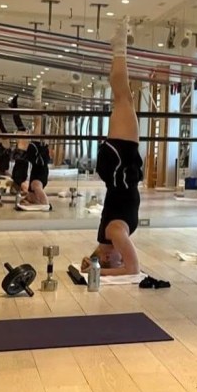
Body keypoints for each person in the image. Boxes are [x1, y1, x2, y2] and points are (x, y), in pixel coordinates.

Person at [80, 18, 142, 277]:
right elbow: (103, 260)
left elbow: (133, 270)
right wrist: (94, 266)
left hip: (120, 167)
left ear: (106, 256)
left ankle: (119, 46)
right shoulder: (108, 235)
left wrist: (99, 273)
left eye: (115, 260)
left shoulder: (115, 233)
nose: (121, 258)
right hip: (117, 170)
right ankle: (118, 48)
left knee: (123, 97)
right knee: (123, 98)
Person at [8, 85, 51, 210]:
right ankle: (37, 97)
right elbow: (46, 204)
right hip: (35, 159)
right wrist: (41, 205)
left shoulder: (30, 188)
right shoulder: (33, 185)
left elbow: (26, 199)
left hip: (34, 159)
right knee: (38, 124)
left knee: (38, 125)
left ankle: (37, 98)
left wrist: (26, 202)